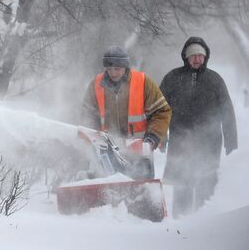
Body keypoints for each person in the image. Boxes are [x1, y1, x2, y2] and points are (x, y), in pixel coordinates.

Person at [160, 37, 237, 218]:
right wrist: (161, 137)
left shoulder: (215, 80)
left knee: (206, 183)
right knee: (182, 184)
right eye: (193, 55)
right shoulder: (172, 78)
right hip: (180, 140)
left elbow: (227, 111)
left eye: (200, 56)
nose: (197, 59)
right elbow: (159, 110)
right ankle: (181, 222)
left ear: (206, 57)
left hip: (209, 142)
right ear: (186, 57)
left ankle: (204, 222)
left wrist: (231, 142)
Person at [81, 46, 172, 167]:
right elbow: (87, 115)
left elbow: (161, 111)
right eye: (109, 69)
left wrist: (152, 139)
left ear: (125, 67)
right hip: (107, 154)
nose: (112, 73)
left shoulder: (143, 82)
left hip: (139, 154)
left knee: (142, 186)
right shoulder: (96, 84)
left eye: (117, 69)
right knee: (110, 186)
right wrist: (92, 140)